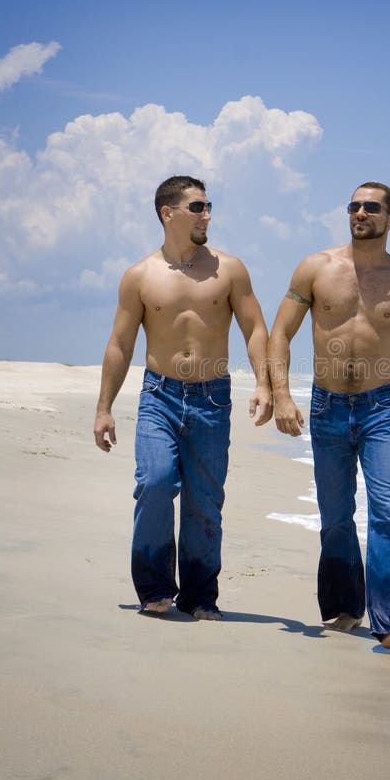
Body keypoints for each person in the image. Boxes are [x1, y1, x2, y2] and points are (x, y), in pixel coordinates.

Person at [268, 182, 390, 649]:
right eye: (354, 206)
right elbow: (280, 333)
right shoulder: (316, 268)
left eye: (371, 207)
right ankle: (345, 608)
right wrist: (282, 396)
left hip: (380, 408)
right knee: (335, 516)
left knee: (388, 512)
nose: (360, 212)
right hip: (326, 406)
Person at [94, 175, 272, 618]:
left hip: (212, 398)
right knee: (154, 484)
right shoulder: (140, 275)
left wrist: (266, 383)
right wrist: (104, 408)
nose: (207, 214)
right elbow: (120, 344)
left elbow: (255, 328)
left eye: (209, 206)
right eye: (197, 207)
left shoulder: (229, 269)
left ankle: (199, 596)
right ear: (167, 212)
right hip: (160, 394)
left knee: (204, 503)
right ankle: (155, 588)